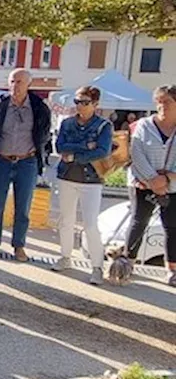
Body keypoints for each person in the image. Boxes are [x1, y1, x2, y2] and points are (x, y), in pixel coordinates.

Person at [0, 69, 51, 262]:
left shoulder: (38, 107)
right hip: (1, 160)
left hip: (26, 161)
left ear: (29, 84)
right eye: (12, 81)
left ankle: (19, 246)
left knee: (23, 208)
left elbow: (44, 133)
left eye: (19, 82)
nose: (15, 85)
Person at [53, 85, 112, 284]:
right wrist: (86, 147)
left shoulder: (104, 126)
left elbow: (102, 151)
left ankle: (96, 266)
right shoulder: (68, 123)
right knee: (65, 220)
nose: (80, 106)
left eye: (85, 102)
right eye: (77, 101)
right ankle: (65, 256)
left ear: (95, 104)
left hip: (92, 179)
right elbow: (60, 146)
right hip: (67, 176)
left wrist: (75, 155)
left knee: (90, 224)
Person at [125, 86, 176, 287]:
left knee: (172, 227)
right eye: (159, 101)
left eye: (168, 102)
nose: (162, 106)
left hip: (172, 185)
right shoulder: (144, 125)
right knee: (139, 221)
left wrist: (168, 179)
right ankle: (127, 263)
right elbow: (136, 153)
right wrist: (152, 179)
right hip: (142, 182)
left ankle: (172, 269)